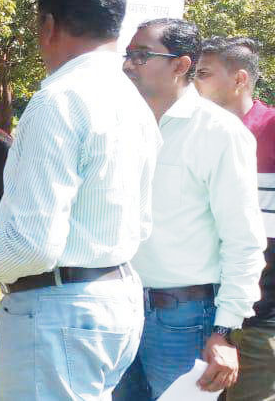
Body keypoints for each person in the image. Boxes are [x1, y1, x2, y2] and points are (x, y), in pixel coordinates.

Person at [0, 0, 160, 400]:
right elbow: (142, 221)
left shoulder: (58, 101)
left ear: (49, 25)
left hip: (58, 312)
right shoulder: (134, 101)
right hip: (118, 300)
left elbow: (31, 246)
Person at [112, 21, 266, 400]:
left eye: (141, 55)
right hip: (116, 307)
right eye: (128, 54)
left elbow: (243, 239)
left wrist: (226, 331)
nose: (129, 65)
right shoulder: (119, 126)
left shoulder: (220, 133)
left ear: (181, 66)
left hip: (183, 317)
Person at [196, 36, 275, 401]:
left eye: (204, 73)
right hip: (197, 313)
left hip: (260, 319)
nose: (193, 81)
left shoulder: (270, 130)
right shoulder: (194, 133)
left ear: (240, 79)